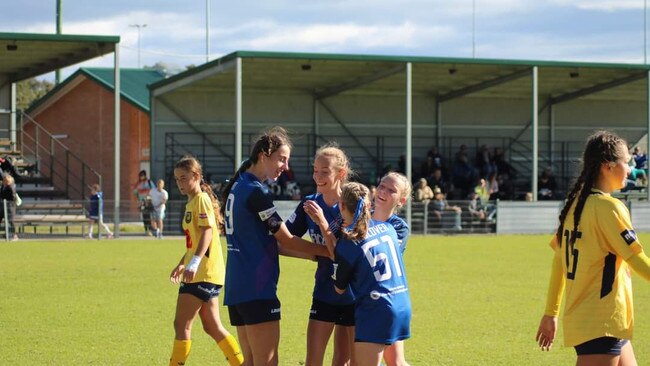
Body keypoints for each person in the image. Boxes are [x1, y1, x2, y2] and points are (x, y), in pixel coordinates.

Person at [535, 131, 650, 366]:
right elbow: (638, 260)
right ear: (607, 167)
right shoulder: (609, 208)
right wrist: (550, 313)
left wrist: (551, 312)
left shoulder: (575, 205)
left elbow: (559, 263)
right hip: (602, 321)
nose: (629, 169)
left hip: (595, 321)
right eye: (626, 163)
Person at [221, 126, 331, 366]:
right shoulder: (255, 192)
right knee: (267, 362)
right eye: (282, 159)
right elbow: (285, 238)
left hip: (238, 288)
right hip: (256, 288)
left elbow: (269, 244)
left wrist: (313, 257)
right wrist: (330, 252)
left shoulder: (238, 186)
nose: (285, 166)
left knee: (250, 361)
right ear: (263, 155)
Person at [313, 182, 411, 366]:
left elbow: (340, 289)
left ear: (341, 206)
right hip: (401, 302)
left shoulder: (350, 242)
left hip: (377, 308)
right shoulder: (388, 228)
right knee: (397, 362)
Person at [168, 156, 244, 366]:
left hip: (202, 273)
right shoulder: (192, 202)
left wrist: (194, 263)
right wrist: (183, 262)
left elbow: (208, 232)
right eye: (177, 179)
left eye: (184, 178)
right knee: (211, 326)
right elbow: (195, 241)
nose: (180, 183)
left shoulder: (200, 199)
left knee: (181, 324)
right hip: (207, 272)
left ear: (197, 176)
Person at [285, 144, 355, 366]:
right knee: (312, 361)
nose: (318, 176)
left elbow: (345, 256)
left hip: (354, 295)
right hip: (324, 293)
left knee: (344, 361)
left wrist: (324, 227)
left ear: (340, 174)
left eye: (325, 171)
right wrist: (313, 254)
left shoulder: (354, 206)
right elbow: (283, 242)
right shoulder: (309, 204)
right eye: (315, 170)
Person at [371, 172, 412, 366]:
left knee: (395, 361)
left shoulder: (398, 227)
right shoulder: (359, 217)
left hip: (387, 298)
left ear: (401, 200)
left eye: (391, 190)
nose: (383, 191)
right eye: (382, 185)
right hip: (361, 298)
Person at [133, 169, 155, 235]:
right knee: (144, 217)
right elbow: (135, 192)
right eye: (140, 176)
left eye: (142, 176)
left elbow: (153, 190)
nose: (141, 177)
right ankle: (146, 230)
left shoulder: (149, 182)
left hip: (148, 202)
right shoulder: (138, 183)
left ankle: (151, 230)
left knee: (149, 216)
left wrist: (143, 191)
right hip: (142, 202)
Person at [0, 174, 18, 241]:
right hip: (2, 206)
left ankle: (14, 235)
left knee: (11, 221)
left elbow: (13, 197)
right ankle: (7, 233)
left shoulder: (11, 186)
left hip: (10, 207)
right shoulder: (3, 186)